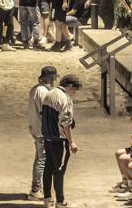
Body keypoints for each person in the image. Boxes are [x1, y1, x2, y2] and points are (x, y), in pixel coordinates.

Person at [41, 74, 82, 208]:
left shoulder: (50, 93)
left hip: (47, 137)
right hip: (59, 139)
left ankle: (47, 199)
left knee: (48, 167)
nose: (74, 93)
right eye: (74, 89)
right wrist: (72, 142)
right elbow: (65, 123)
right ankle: (61, 202)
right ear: (69, 86)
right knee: (59, 170)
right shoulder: (65, 99)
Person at [27, 66, 57, 201]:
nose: (54, 79)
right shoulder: (43, 92)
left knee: (39, 159)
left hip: (35, 128)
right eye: (52, 77)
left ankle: (36, 188)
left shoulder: (35, 89)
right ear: (46, 78)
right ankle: (35, 190)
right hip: (43, 131)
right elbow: (45, 113)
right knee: (42, 161)